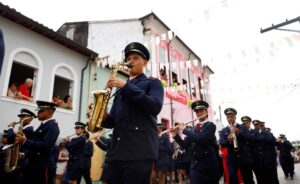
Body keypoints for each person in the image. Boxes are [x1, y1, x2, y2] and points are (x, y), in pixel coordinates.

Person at [100, 42, 164, 184]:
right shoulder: (120, 88)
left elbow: (155, 106)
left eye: (135, 58)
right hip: (116, 152)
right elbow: (113, 121)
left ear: (145, 62)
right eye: (128, 58)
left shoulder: (152, 83)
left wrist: (125, 86)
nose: (130, 61)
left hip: (139, 152)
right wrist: (102, 116)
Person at [171, 100, 220, 184]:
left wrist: (184, 129)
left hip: (208, 166)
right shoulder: (193, 129)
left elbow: (200, 138)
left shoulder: (210, 126)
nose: (199, 113)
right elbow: (185, 145)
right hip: (195, 167)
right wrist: (175, 135)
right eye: (197, 111)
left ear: (206, 111)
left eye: (201, 110)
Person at [15, 100, 60, 184]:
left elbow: (45, 146)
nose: (38, 112)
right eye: (38, 110)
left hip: (43, 166)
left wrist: (25, 141)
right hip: (34, 164)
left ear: (49, 111)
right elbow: (35, 145)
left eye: (41, 110)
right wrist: (24, 155)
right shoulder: (43, 125)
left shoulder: (52, 126)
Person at [219, 108, 254, 184]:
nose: (230, 118)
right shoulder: (224, 130)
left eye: (232, 116)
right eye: (228, 117)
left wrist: (239, 133)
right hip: (232, 157)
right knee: (232, 178)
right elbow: (222, 143)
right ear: (226, 118)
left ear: (235, 117)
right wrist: (228, 140)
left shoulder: (242, 127)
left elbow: (250, 138)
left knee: (248, 178)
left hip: (244, 156)